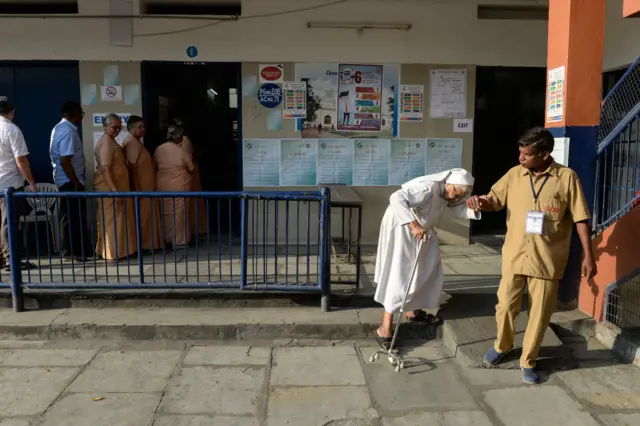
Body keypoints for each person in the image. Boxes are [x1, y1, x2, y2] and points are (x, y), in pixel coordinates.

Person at [466, 127, 597, 384]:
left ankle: (529, 359)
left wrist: (588, 256)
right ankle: (503, 345)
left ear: (545, 154)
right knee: (505, 306)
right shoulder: (515, 175)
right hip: (515, 254)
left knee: (540, 313)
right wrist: (480, 202)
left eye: (526, 154)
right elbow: (494, 199)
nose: (520, 158)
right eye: (520, 152)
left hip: (547, 259)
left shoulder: (566, 178)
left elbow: (581, 218)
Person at [374, 168, 480, 349]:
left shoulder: (448, 192)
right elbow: (396, 198)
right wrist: (414, 225)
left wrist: (476, 205)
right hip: (403, 227)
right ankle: (386, 327)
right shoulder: (427, 188)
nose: (455, 198)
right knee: (401, 272)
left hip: (423, 229)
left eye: (460, 195)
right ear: (448, 183)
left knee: (428, 266)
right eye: (456, 193)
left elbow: (458, 209)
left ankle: (413, 311)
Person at [49, 101, 90, 261]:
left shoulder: (61, 128)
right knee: (71, 217)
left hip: (68, 180)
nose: (81, 117)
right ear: (74, 114)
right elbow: (65, 160)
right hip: (70, 181)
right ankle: (71, 252)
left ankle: (78, 250)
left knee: (74, 216)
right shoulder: (67, 131)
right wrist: (75, 182)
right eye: (81, 114)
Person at [94, 113, 136, 261]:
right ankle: (113, 253)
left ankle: (116, 251)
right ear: (105, 127)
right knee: (112, 221)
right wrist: (114, 191)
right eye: (114, 128)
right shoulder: (106, 142)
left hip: (115, 188)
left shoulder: (110, 140)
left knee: (117, 221)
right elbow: (105, 168)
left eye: (120, 127)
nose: (117, 130)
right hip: (109, 190)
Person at [0, 101, 37, 271]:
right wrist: (31, 182)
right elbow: (20, 159)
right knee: (9, 224)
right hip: (10, 186)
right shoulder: (11, 129)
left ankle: (3, 258)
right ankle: (11, 260)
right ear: (12, 112)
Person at [122, 116, 162, 252]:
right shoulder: (132, 143)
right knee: (144, 217)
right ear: (131, 128)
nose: (143, 130)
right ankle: (144, 245)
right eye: (139, 127)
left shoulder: (136, 142)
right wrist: (136, 186)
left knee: (147, 216)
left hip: (146, 187)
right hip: (142, 188)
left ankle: (147, 244)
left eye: (144, 127)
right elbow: (131, 166)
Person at [154, 124, 194, 247]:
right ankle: (179, 240)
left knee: (165, 211)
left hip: (161, 183)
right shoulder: (181, 150)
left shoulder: (158, 149)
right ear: (177, 137)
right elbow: (191, 168)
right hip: (179, 185)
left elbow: (154, 164)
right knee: (179, 213)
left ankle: (167, 238)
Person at [173, 119, 206, 238]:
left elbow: (187, 163)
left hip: (189, 174)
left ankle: (196, 229)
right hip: (184, 175)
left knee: (192, 202)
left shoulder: (185, 140)